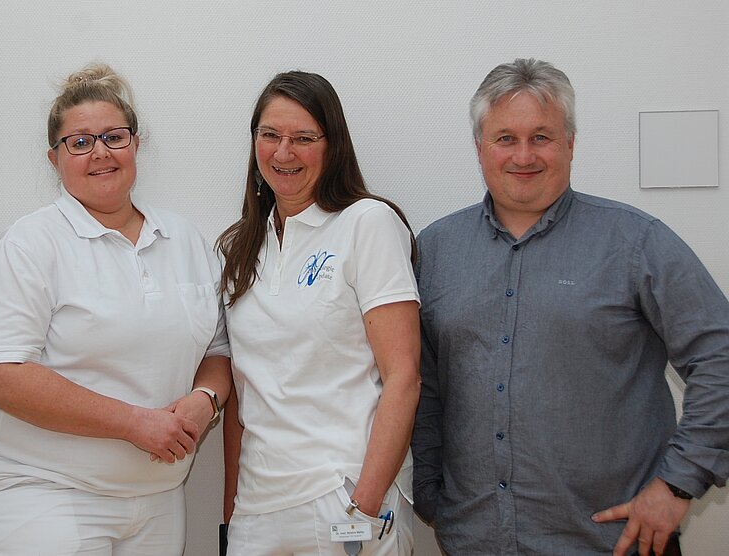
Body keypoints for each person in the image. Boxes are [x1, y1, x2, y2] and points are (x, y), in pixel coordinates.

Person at [412, 58, 729, 555]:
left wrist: (678, 484)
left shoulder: (636, 243)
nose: (523, 155)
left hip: (611, 543)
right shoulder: (435, 250)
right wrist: (430, 492)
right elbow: (423, 383)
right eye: (505, 138)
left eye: (541, 137)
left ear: (570, 144)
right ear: (479, 147)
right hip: (476, 540)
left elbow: (720, 358)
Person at [0, 63, 231, 556]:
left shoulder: (185, 240)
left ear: (136, 144)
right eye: (80, 142)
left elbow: (217, 350)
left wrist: (205, 399)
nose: (101, 152)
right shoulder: (30, 245)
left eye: (114, 137)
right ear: (54, 158)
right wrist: (134, 423)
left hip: (157, 501)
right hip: (42, 496)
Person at [219, 71, 421, 555]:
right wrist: (230, 517)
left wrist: (362, 508)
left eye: (304, 138)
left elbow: (405, 377)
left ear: (333, 146)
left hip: (342, 495)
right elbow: (242, 396)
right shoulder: (238, 248)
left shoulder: (367, 223)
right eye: (270, 135)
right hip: (257, 509)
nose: (283, 152)